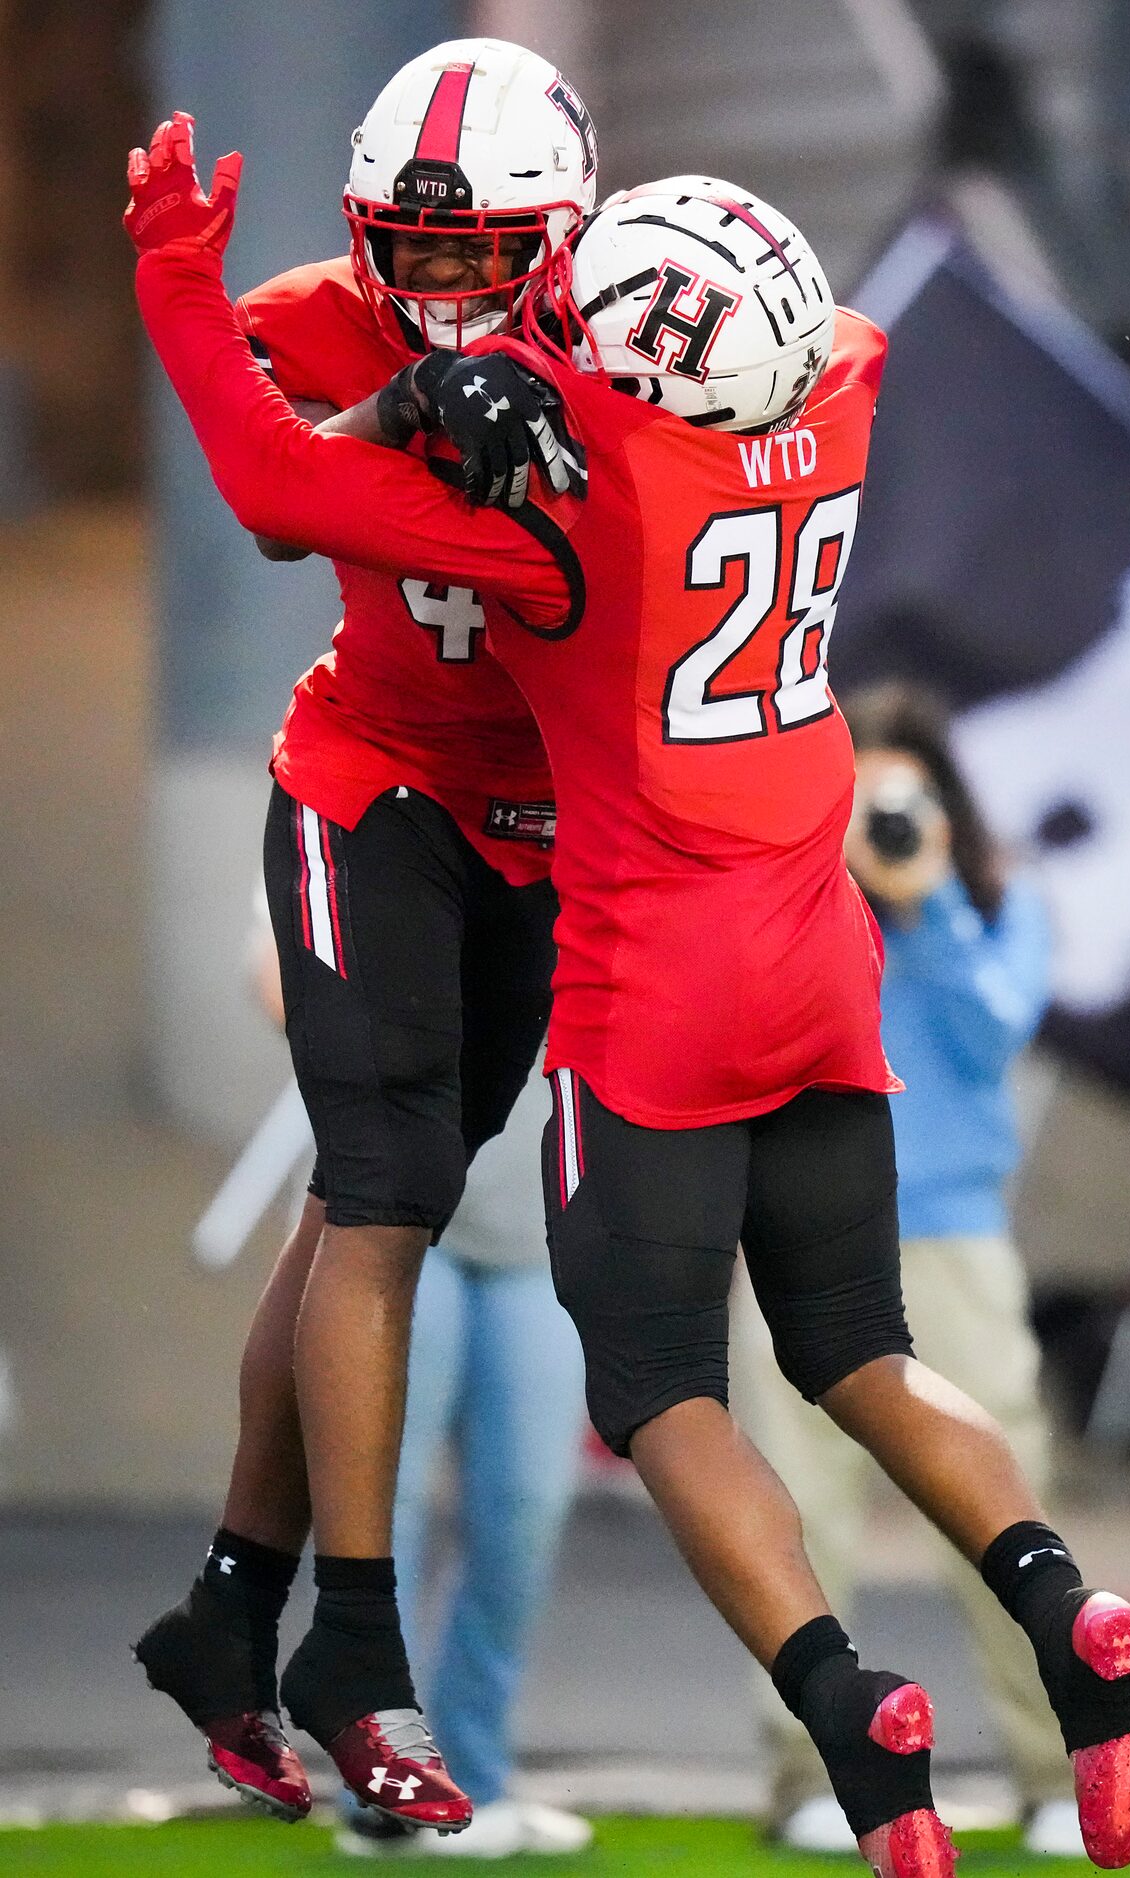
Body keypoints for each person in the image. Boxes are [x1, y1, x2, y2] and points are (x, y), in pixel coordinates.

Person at [125, 127, 1130, 1877]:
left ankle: (853, 1722)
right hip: (822, 963)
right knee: (868, 1352)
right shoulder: (837, 384)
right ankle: (1066, 1615)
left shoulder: (567, 504)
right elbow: (786, 328)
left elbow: (277, 485)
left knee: (667, 1387)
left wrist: (192, 286)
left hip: (656, 988)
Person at [130, 41, 598, 1836]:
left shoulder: (630, 334)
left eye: (486, 254)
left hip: (540, 823)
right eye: (420, 252)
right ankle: (355, 1636)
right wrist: (393, 408)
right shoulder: (336, 319)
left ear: (560, 239)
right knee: (388, 1187)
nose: (447, 287)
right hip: (369, 776)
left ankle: (228, 1611)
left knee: (353, 1203)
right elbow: (263, 488)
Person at [733, 682, 1083, 1858]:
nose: (881, 817)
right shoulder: (787, 891)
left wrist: (926, 904)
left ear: (944, 804)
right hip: (800, 1229)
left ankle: (1055, 1772)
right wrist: (816, 875)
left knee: (1003, 1508)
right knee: (795, 1515)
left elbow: (995, 1034)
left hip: (954, 1239)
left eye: (904, 796)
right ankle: (810, 1780)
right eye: (859, 795)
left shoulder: (992, 898)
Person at [338, 1053, 592, 1860]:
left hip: (545, 1231)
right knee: (386, 1508)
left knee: (525, 1508)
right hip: (397, 1220)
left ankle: (476, 1777)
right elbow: (277, 981)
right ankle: (387, 1791)